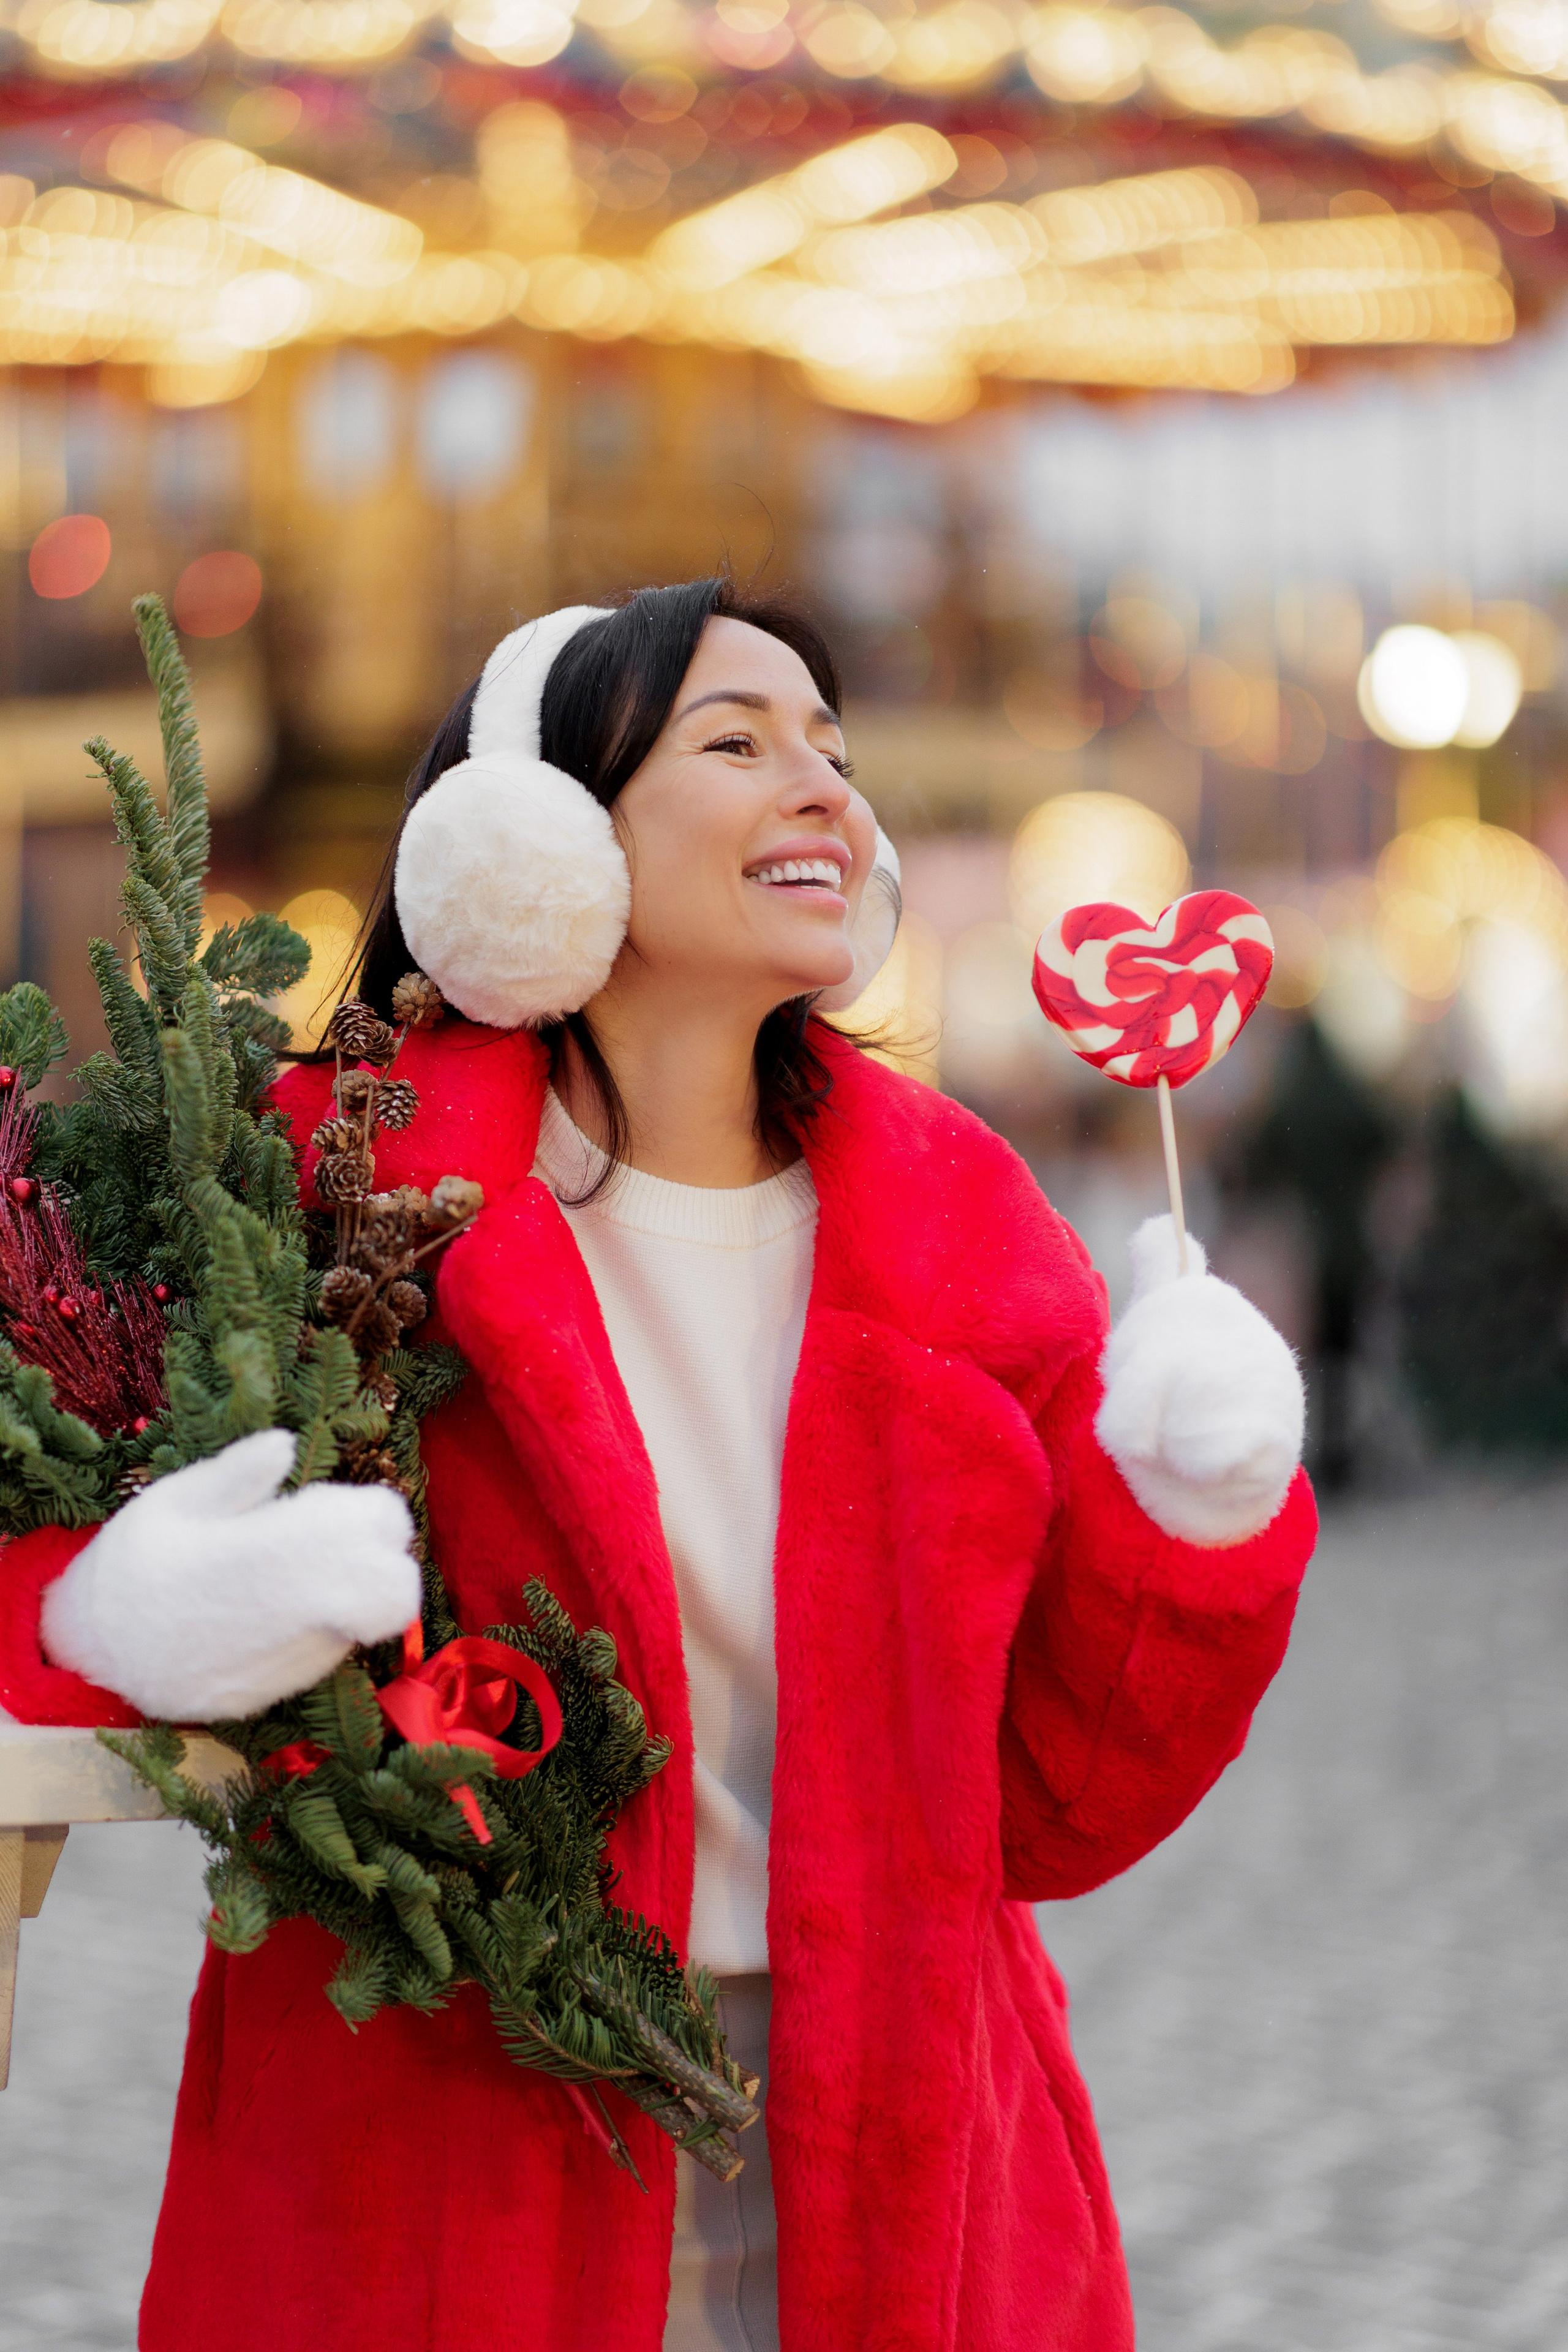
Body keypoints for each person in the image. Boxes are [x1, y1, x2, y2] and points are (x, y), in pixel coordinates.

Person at [0, 578, 1316, 2352]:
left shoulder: (964, 1229)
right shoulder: (336, 1184)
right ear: (539, 834)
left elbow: (1062, 1808)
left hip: (895, 2149)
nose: (824, 787)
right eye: (738, 742)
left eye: (832, 748)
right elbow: (37, 1485)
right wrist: (114, 1610)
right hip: (440, 2163)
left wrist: (1197, 1516)